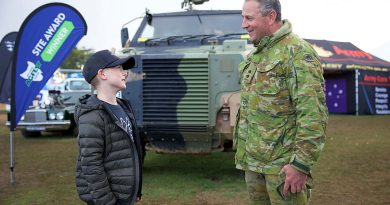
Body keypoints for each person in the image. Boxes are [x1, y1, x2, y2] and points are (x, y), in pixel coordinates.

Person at [234, 0, 328, 204]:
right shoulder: (257, 54)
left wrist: (301, 164)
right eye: (243, 17)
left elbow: (313, 115)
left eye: (249, 18)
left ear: (271, 17)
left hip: (283, 168)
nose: (243, 24)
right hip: (254, 164)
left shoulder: (297, 52)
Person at [75, 50, 143, 205]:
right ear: (102, 74)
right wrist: (107, 202)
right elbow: (91, 165)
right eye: (119, 68)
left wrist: (135, 190)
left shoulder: (124, 107)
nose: (124, 73)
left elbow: (131, 151)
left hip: (124, 195)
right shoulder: (92, 116)